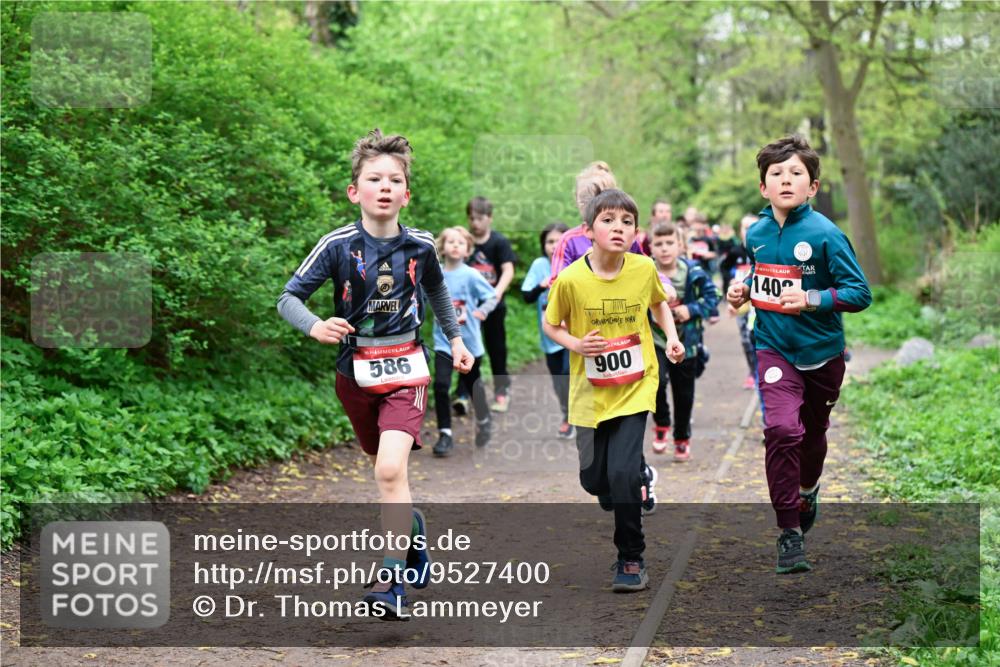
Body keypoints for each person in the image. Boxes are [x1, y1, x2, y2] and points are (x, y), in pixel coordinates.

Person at [277, 129, 475, 617]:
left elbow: (437, 294)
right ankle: (414, 532)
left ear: (407, 194)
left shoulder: (422, 246)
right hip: (354, 373)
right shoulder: (337, 245)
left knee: (390, 470)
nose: (384, 187)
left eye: (394, 180)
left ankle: (390, 584)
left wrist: (454, 339)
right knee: (384, 473)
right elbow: (288, 298)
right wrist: (315, 325)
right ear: (355, 191)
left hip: (407, 368)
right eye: (374, 179)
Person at [727, 135, 871, 574]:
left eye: (796, 174)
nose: (786, 180)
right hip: (774, 347)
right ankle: (789, 532)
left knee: (812, 434)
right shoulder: (757, 232)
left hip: (823, 353)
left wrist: (813, 299)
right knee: (782, 430)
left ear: (812, 187)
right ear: (763, 188)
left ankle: (808, 490)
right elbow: (762, 278)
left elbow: (859, 293)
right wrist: (743, 291)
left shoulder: (826, 233)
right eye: (777, 174)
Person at [543, 189, 685, 592]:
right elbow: (551, 325)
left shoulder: (643, 268)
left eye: (626, 222)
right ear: (587, 230)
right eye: (608, 220)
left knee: (621, 474)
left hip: (636, 385)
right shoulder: (571, 280)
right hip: (590, 390)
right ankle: (632, 480)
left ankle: (630, 557)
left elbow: (658, 303)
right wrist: (576, 344)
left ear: (636, 232)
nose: (618, 228)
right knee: (595, 481)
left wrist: (670, 336)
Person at [647, 222, 719, 460]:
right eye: (659, 244)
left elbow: (713, 297)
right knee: (655, 383)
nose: (665, 249)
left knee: (684, 392)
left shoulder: (693, 271)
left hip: (686, 342)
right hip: (654, 340)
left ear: (680, 246)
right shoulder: (646, 272)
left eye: (670, 243)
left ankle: (681, 437)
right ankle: (661, 424)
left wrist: (691, 309)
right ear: (651, 248)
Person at [431, 227, 498, 456]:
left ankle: (484, 420)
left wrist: (481, 312)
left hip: (469, 343)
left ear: (468, 249)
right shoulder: (435, 273)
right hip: (443, 342)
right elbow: (420, 296)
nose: (455, 245)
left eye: (460, 242)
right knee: (440, 385)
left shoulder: (471, 274)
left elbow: (491, 296)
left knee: (473, 387)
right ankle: (445, 434)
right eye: (450, 241)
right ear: (442, 246)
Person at [465, 196, 517, 413]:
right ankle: (467, 394)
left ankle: (501, 391)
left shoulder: (498, 242)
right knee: (468, 350)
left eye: (479, 218)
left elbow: (508, 270)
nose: (475, 223)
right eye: (471, 219)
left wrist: (495, 295)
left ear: (489, 218)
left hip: (494, 306)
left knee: (496, 349)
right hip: (468, 307)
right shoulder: (464, 241)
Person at [550, 161, 644, 280]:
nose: (592, 204)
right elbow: (557, 283)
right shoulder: (568, 240)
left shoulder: (626, 236)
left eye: (600, 196)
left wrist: (665, 283)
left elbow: (647, 272)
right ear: (576, 199)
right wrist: (585, 264)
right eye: (585, 198)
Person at [521, 221, 572, 439]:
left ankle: (580, 417)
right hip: (550, 337)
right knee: (559, 381)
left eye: (559, 241)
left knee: (569, 373)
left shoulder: (574, 262)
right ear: (543, 244)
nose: (554, 245)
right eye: (550, 241)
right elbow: (526, 296)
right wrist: (542, 285)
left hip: (573, 334)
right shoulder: (539, 265)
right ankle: (566, 414)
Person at [722, 215, 760, 390]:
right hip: (741, 302)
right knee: (745, 339)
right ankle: (753, 372)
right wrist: (728, 288)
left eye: (752, 226)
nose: (748, 230)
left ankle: (762, 370)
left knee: (758, 337)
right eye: (745, 227)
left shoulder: (763, 249)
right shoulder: (736, 251)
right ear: (740, 230)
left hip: (758, 302)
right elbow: (724, 268)